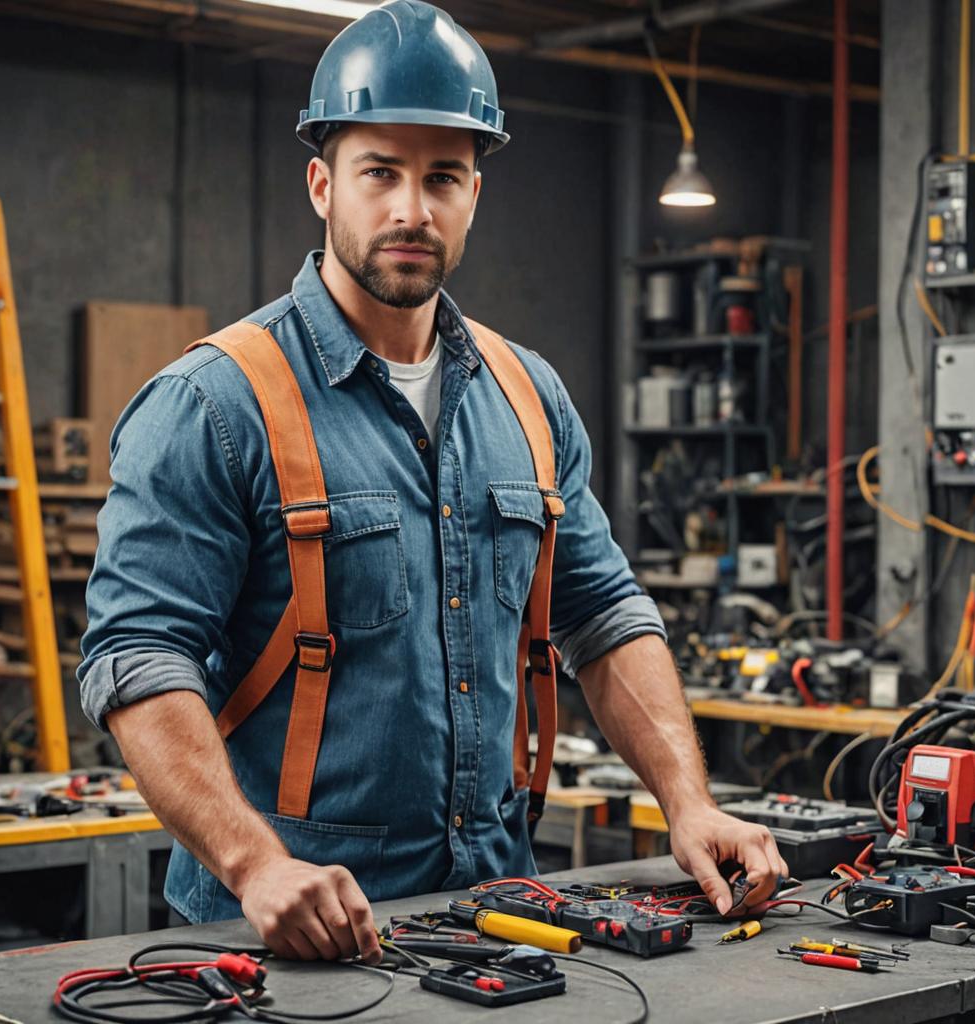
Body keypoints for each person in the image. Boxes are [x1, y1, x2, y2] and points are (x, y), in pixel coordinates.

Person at [78, 0, 787, 965]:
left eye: (443, 175)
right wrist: (255, 866)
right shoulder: (215, 404)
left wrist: (690, 802)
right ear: (323, 185)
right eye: (381, 172)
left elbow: (607, 616)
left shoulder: (527, 396)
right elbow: (138, 656)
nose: (412, 207)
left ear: (474, 193)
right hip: (276, 936)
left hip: (495, 916)